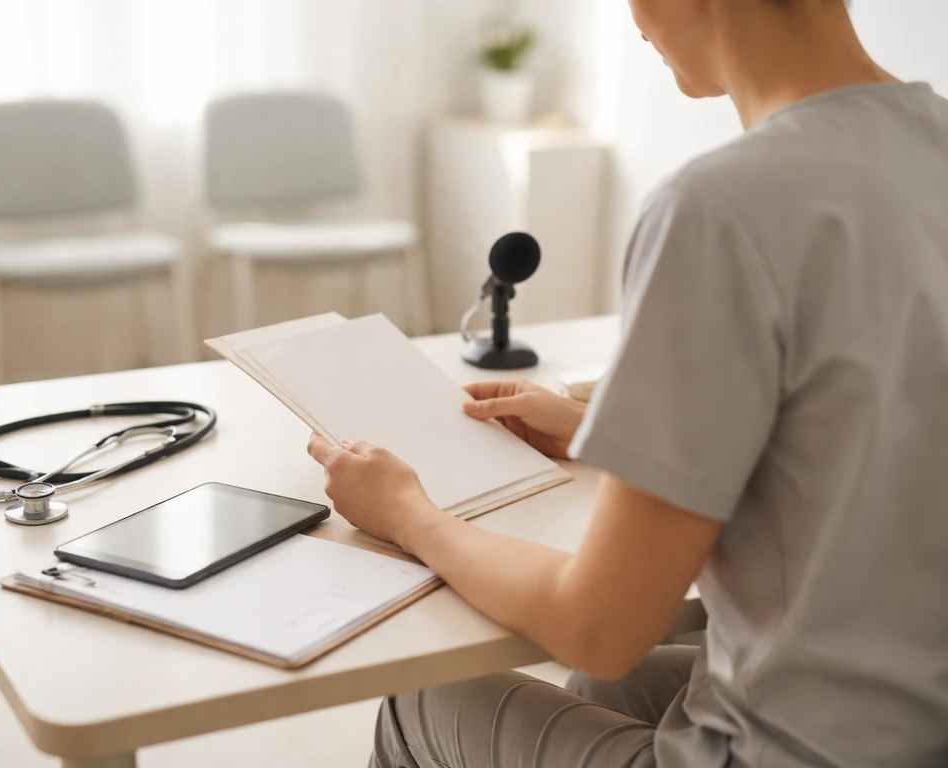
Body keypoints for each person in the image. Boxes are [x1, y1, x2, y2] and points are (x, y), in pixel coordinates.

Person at [307, 0, 948, 765]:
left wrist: (410, 514)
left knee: (421, 699)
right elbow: (883, 430)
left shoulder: (720, 207)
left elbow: (599, 625)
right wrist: (607, 436)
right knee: (615, 690)